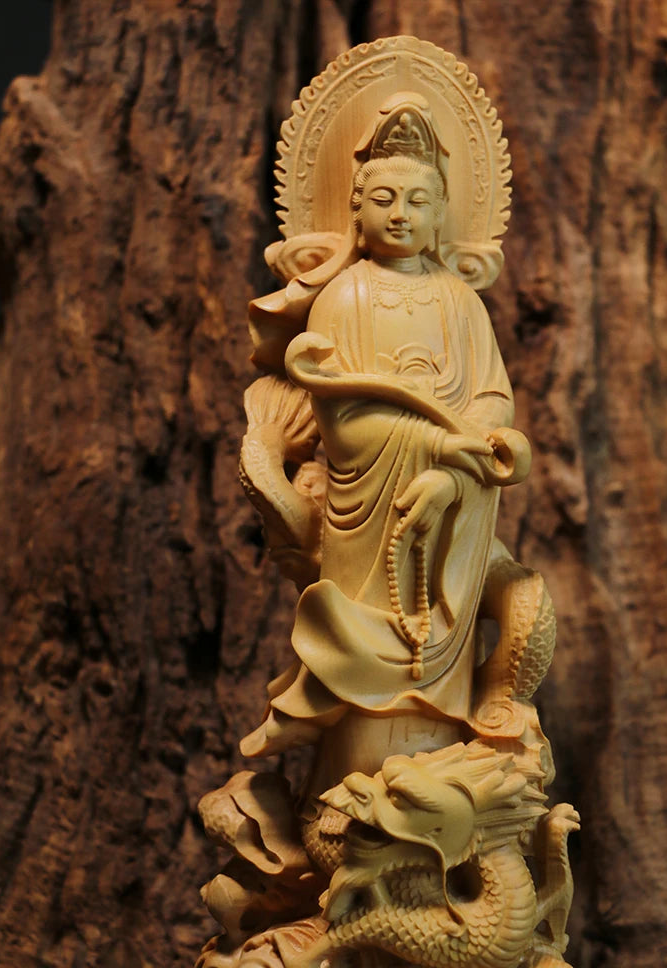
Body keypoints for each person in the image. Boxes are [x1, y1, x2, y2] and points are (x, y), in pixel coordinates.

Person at [241, 98, 525, 788]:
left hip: (451, 523)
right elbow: (343, 420)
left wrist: (453, 475)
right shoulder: (346, 298)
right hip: (369, 518)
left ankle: (468, 746)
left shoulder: (462, 303)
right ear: (356, 209)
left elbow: (492, 403)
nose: (401, 214)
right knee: (363, 689)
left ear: (442, 212)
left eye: (418, 200)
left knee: (501, 617)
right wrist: (440, 449)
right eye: (384, 198)